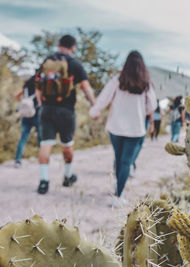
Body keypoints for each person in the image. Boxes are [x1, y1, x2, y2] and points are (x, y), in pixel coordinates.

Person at [89, 50, 157, 198]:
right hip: (135, 128)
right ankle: (118, 195)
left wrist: (94, 112)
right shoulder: (146, 85)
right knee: (126, 162)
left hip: (115, 127)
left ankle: (117, 184)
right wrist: (140, 110)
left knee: (118, 158)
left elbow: (103, 100)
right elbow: (151, 107)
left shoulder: (117, 81)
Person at [35, 35, 96, 194]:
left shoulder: (47, 61)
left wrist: (41, 103)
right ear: (73, 47)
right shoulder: (75, 64)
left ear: (58, 44)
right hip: (66, 111)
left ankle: (44, 181)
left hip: (47, 109)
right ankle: (68, 176)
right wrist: (95, 106)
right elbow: (86, 87)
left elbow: (37, 85)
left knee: (45, 144)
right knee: (67, 145)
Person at [13, 75, 41, 168]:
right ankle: (42, 159)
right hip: (36, 115)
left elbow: (16, 96)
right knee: (40, 138)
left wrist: (23, 101)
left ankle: (18, 160)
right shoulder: (39, 88)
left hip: (25, 116)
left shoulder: (25, 88)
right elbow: (40, 101)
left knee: (23, 138)